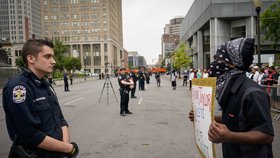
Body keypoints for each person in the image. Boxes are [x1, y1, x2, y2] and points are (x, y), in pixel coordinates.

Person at [189, 38, 274, 158]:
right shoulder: (229, 89)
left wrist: (229, 136)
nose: (214, 64)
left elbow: (267, 135)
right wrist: (204, 117)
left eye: (218, 60)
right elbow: (235, 119)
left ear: (233, 63)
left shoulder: (253, 93)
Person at [2, 39, 79, 158]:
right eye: (47, 57)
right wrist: (69, 148)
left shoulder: (45, 84)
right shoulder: (19, 88)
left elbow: (60, 120)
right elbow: (30, 135)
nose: (53, 61)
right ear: (31, 59)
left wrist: (65, 148)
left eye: (52, 57)